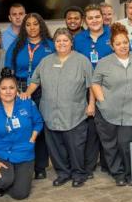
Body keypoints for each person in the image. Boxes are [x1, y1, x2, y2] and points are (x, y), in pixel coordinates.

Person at [22, 28, 94, 188]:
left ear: (71, 42)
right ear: (54, 43)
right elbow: (35, 80)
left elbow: (91, 86)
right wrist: (27, 93)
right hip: (49, 112)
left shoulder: (82, 61)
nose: (62, 43)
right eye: (58, 41)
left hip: (75, 112)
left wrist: (91, 104)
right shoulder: (46, 61)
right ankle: (63, 173)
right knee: (55, 147)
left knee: (76, 146)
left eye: (65, 40)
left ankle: (78, 174)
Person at [91, 23, 132, 186]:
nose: (122, 46)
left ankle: (130, 171)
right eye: (118, 44)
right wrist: (102, 102)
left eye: (125, 42)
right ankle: (118, 173)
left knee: (126, 144)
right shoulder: (104, 62)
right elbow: (95, 83)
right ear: (112, 46)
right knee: (110, 145)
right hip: (107, 111)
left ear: (129, 43)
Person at [0, 68, 44, 200]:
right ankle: (0, 183)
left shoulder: (27, 103)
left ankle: (14, 178)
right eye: (4, 88)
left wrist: (33, 138)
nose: (8, 92)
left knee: (20, 194)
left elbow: (38, 122)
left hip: (24, 152)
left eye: (11, 88)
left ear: (17, 89)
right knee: (2, 181)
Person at [5, 12, 53, 179]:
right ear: (24, 28)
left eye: (35, 24)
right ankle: (23, 164)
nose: (32, 27)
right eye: (28, 24)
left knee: (40, 128)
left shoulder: (50, 45)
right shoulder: (17, 45)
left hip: (45, 90)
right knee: (22, 127)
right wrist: (15, 90)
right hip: (20, 90)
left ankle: (40, 166)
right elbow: (8, 69)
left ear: (41, 25)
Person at [73, 4, 112, 175]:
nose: (94, 20)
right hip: (86, 88)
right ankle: (88, 167)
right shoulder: (79, 39)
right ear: (85, 21)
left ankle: (108, 165)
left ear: (103, 17)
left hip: (109, 87)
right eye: (90, 18)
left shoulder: (113, 34)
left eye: (97, 17)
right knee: (89, 130)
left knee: (108, 127)